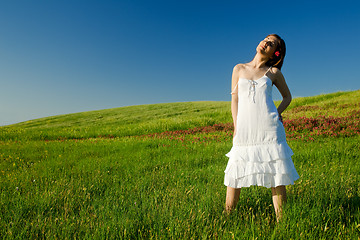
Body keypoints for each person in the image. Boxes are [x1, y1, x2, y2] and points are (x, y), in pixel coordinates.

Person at [224, 34, 299, 221]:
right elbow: (234, 100)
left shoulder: (274, 73)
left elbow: (287, 97)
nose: (265, 42)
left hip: (269, 129)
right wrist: (236, 126)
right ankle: (226, 217)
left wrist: (278, 113)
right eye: (265, 39)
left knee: (276, 175)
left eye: (271, 43)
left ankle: (283, 223)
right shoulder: (238, 69)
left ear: (275, 52)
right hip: (245, 129)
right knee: (235, 172)